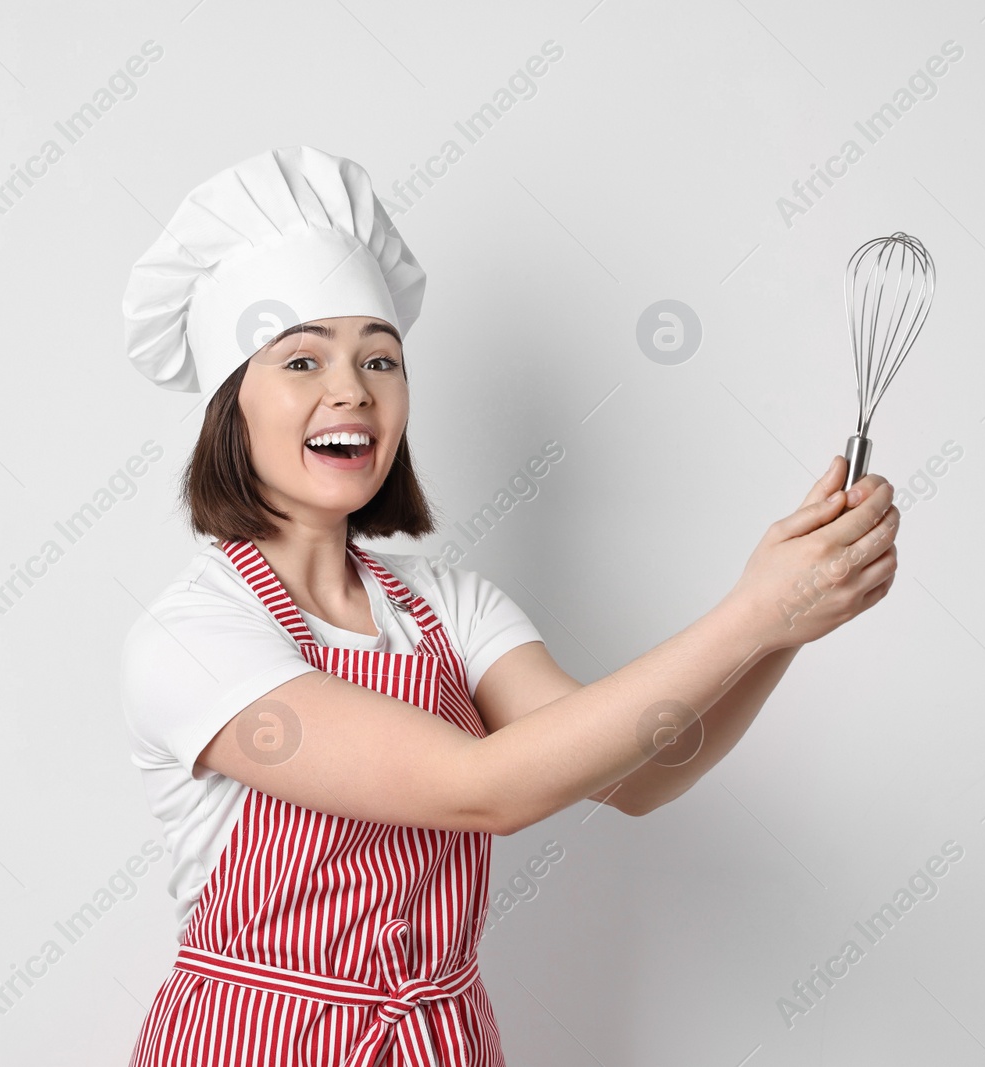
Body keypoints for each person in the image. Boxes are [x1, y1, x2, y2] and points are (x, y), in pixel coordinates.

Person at [119, 145, 899, 1067]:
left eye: (381, 356)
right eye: (301, 359)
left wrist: (792, 618)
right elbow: (477, 788)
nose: (352, 391)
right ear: (229, 406)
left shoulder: (450, 606)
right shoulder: (195, 636)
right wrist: (754, 612)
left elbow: (645, 769)